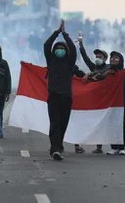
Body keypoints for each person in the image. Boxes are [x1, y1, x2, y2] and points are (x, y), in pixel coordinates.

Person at [88, 51, 125, 156]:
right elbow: (97, 80)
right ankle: (114, 147)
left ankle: (121, 148)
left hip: (121, 103)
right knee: (111, 125)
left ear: (120, 60)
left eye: (116, 58)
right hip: (109, 103)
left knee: (120, 125)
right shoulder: (108, 72)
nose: (113, 59)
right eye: (112, 58)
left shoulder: (123, 73)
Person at [44, 20, 76, 161]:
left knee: (63, 124)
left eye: (63, 48)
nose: (60, 50)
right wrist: (56, 33)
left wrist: (65, 35)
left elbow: (73, 49)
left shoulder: (69, 63)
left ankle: (57, 146)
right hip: (53, 97)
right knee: (54, 123)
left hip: (66, 98)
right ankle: (56, 149)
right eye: (58, 48)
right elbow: (46, 45)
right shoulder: (51, 61)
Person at [78, 33, 110, 154]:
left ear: (105, 58)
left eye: (100, 56)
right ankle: (79, 145)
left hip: (104, 100)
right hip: (93, 99)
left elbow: (103, 76)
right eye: (96, 56)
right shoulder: (93, 67)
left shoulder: (108, 67)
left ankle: (99, 147)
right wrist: (80, 44)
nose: (97, 58)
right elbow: (85, 57)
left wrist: (90, 74)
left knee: (100, 123)